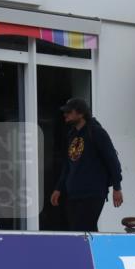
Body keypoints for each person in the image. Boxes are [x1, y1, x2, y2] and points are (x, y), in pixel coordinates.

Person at [49, 98, 123, 232]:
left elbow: (112, 160)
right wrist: (59, 188)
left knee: (85, 228)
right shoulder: (72, 134)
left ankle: (94, 252)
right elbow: (67, 164)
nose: (65, 115)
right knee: (78, 230)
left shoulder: (97, 132)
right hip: (74, 193)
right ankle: (92, 252)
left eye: (69, 112)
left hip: (93, 192)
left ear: (81, 114)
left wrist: (117, 187)